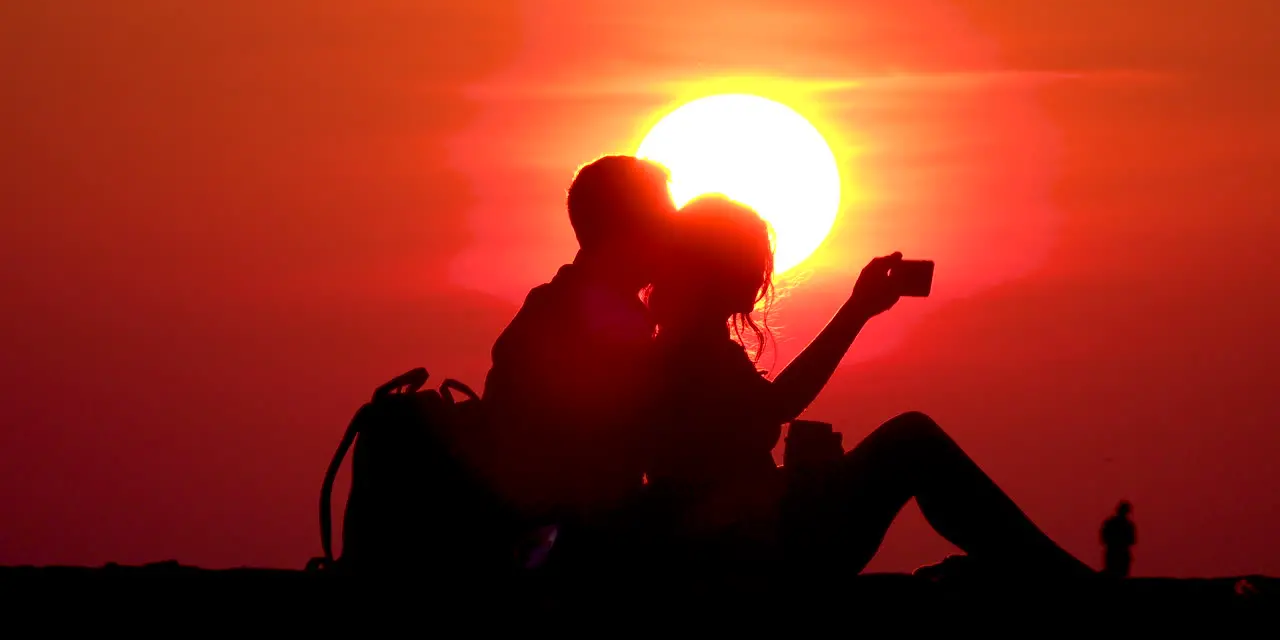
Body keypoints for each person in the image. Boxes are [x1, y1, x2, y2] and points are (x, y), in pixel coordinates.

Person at [640, 193, 1096, 580]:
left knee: (911, 442)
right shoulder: (693, 348)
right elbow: (776, 406)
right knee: (911, 440)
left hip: (759, 535)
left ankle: (1037, 566)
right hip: (767, 550)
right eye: (750, 259)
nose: (760, 275)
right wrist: (856, 310)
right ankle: (1058, 575)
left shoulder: (684, 341)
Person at [473, 154, 677, 569]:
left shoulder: (550, 304)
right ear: (629, 228)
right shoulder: (604, 322)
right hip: (565, 547)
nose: (671, 236)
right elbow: (608, 461)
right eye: (662, 221)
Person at [1100, 501, 1136, 578]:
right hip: (1117, 554)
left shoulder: (1110, 523)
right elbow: (1132, 541)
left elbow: (1104, 538)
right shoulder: (1128, 525)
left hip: (1115, 554)